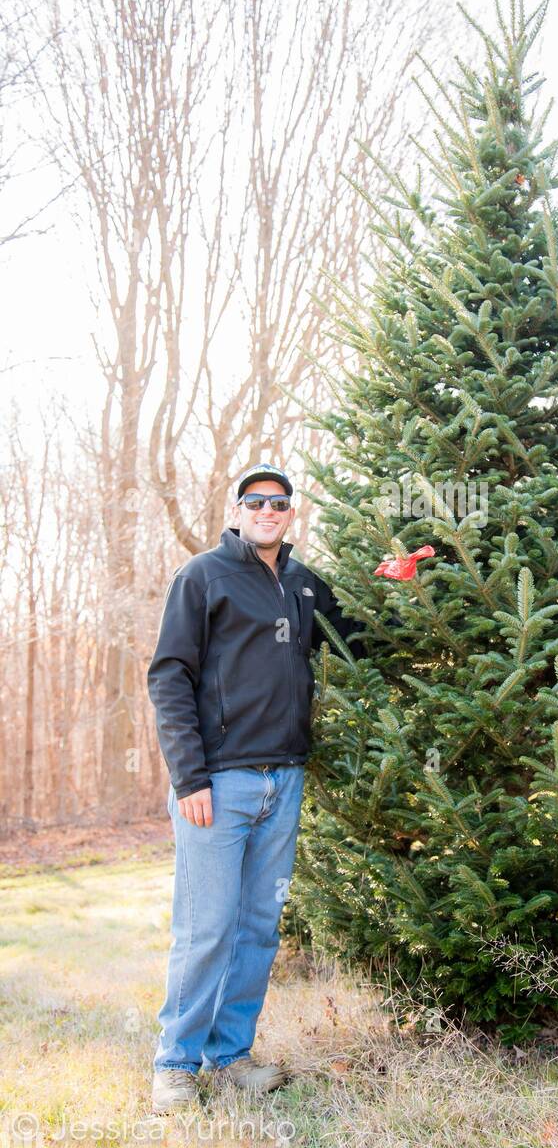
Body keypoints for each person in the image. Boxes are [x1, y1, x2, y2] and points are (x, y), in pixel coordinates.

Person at [147, 462, 369, 1114]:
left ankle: (231, 1055)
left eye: (280, 502)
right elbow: (168, 678)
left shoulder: (302, 584)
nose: (268, 510)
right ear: (237, 511)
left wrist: (400, 592)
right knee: (206, 927)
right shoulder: (203, 577)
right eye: (256, 501)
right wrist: (189, 776)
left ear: (291, 514)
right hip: (217, 783)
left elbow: (356, 643)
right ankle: (175, 1065)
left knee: (258, 926)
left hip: (285, 778)